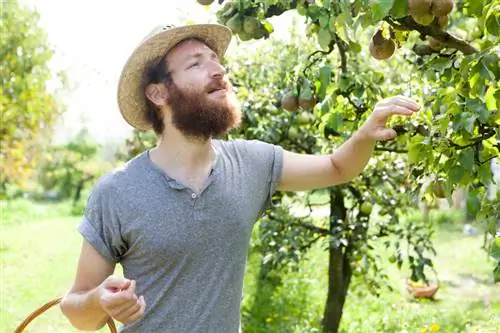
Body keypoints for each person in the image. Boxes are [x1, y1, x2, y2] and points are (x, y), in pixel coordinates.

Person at [59, 23, 420, 332]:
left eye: (217, 61)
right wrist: (100, 301)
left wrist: (365, 133)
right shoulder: (117, 192)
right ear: (159, 92)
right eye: (196, 64)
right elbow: (76, 309)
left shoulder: (251, 163)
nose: (218, 71)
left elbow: (338, 167)